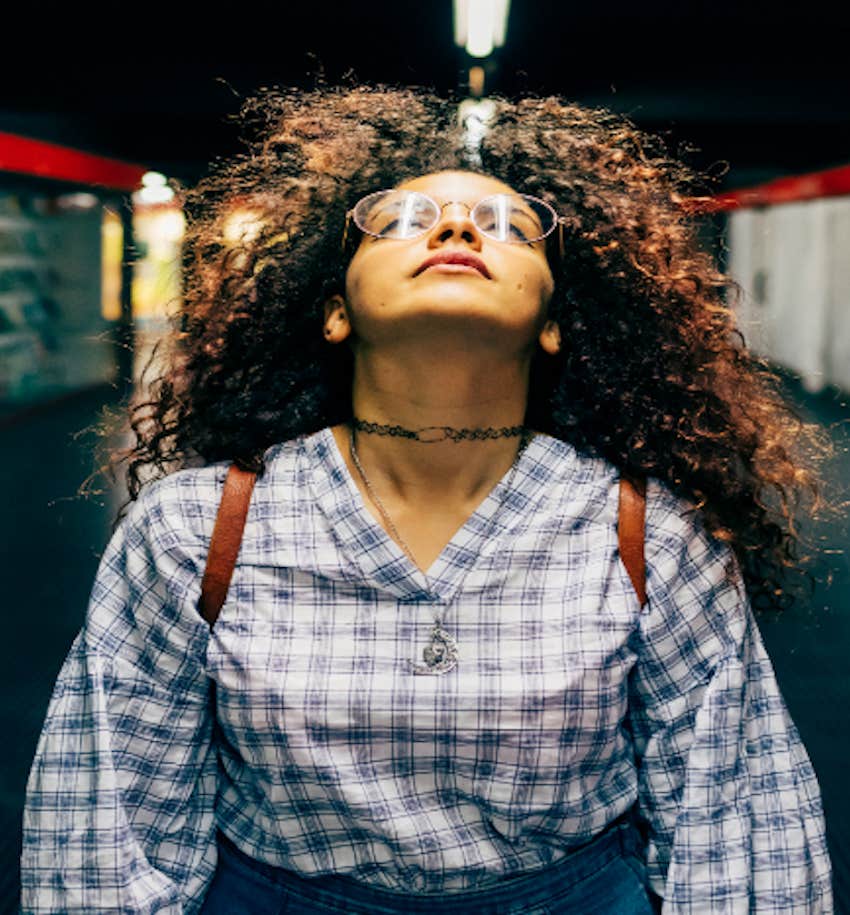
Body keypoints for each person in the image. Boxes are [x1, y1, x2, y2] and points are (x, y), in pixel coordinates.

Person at [20, 82, 839, 914]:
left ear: (554, 319)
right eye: (404, 220)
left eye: (509, 226)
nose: (455, 229)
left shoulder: (649, 533)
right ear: (336, 310)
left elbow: (732, 818)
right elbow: (113, 825)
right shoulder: (194, 530)